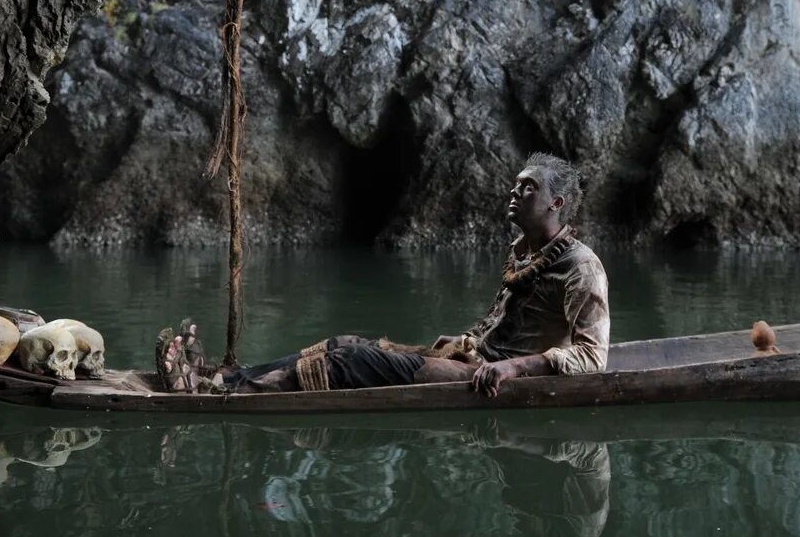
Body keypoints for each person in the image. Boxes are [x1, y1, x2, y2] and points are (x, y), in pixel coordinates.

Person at [156, 152, 609, 397]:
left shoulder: (580, 265)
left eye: (528, 188)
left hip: (491, 376)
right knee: (344, 344)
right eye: (515, 184)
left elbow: (593, 359)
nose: (515, 192)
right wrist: (470, 344)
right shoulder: (525, 251)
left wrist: (508, 366)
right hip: (473, 359)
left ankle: (218, 392)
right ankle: (225, 380)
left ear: (557, 204)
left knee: (352, 363)